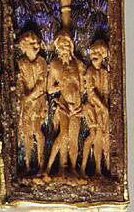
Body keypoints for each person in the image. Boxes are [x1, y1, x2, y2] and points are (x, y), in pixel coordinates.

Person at [46, 31, 84, 174]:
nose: (64, 48)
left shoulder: (77, 63)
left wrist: (80, 104)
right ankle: (50, 167)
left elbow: (82, 87)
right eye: (61, 46)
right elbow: (49, 89)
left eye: (67, 44)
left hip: (77, 105)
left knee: (74, 138)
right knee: (64, 134)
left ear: (71, 45)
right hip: (64, 105)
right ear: (57, 47)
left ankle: (73, 168)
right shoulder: (55, 65)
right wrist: (61, 87)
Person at [16, 31, 48, 172]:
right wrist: (23, 94)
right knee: (26, 131)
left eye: (37, 43)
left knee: (37, 130)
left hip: (38, 100)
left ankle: (41, 163)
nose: (36, 45)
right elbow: (21, 80)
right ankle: (27, 163)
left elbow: (41, 82)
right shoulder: (22, 62)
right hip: (27, 101)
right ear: (24, 46)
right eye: (32, 43)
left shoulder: (41, 62)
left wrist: (29, 96)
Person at [82, 39, 110, 176]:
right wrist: (103, 107)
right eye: (93, 52)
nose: (95, 55)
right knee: (94, 136)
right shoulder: (90, 72)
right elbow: (91, 94)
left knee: (103, 136)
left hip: (101, 109)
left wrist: (104, 108)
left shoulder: (104, 72)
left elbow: (105, 91)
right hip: (92, 107)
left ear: (103, 55)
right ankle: (89, 168)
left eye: (98, 53)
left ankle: (105, 168)